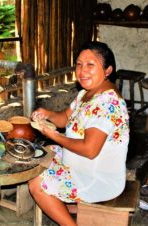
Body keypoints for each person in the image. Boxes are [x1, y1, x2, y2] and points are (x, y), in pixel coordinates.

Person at [28, 41, 129, 226]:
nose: (82, 71)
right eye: (79, 64)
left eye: (91, 65)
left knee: (36, 183)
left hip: (98, 180)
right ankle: (67, 207)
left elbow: (90, 150)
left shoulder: (107, 104)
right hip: (82, 168)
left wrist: (54, 135)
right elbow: (66, 118)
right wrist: (47, 114)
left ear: (108, 70)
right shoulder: (86, 94)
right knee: (46, 151)